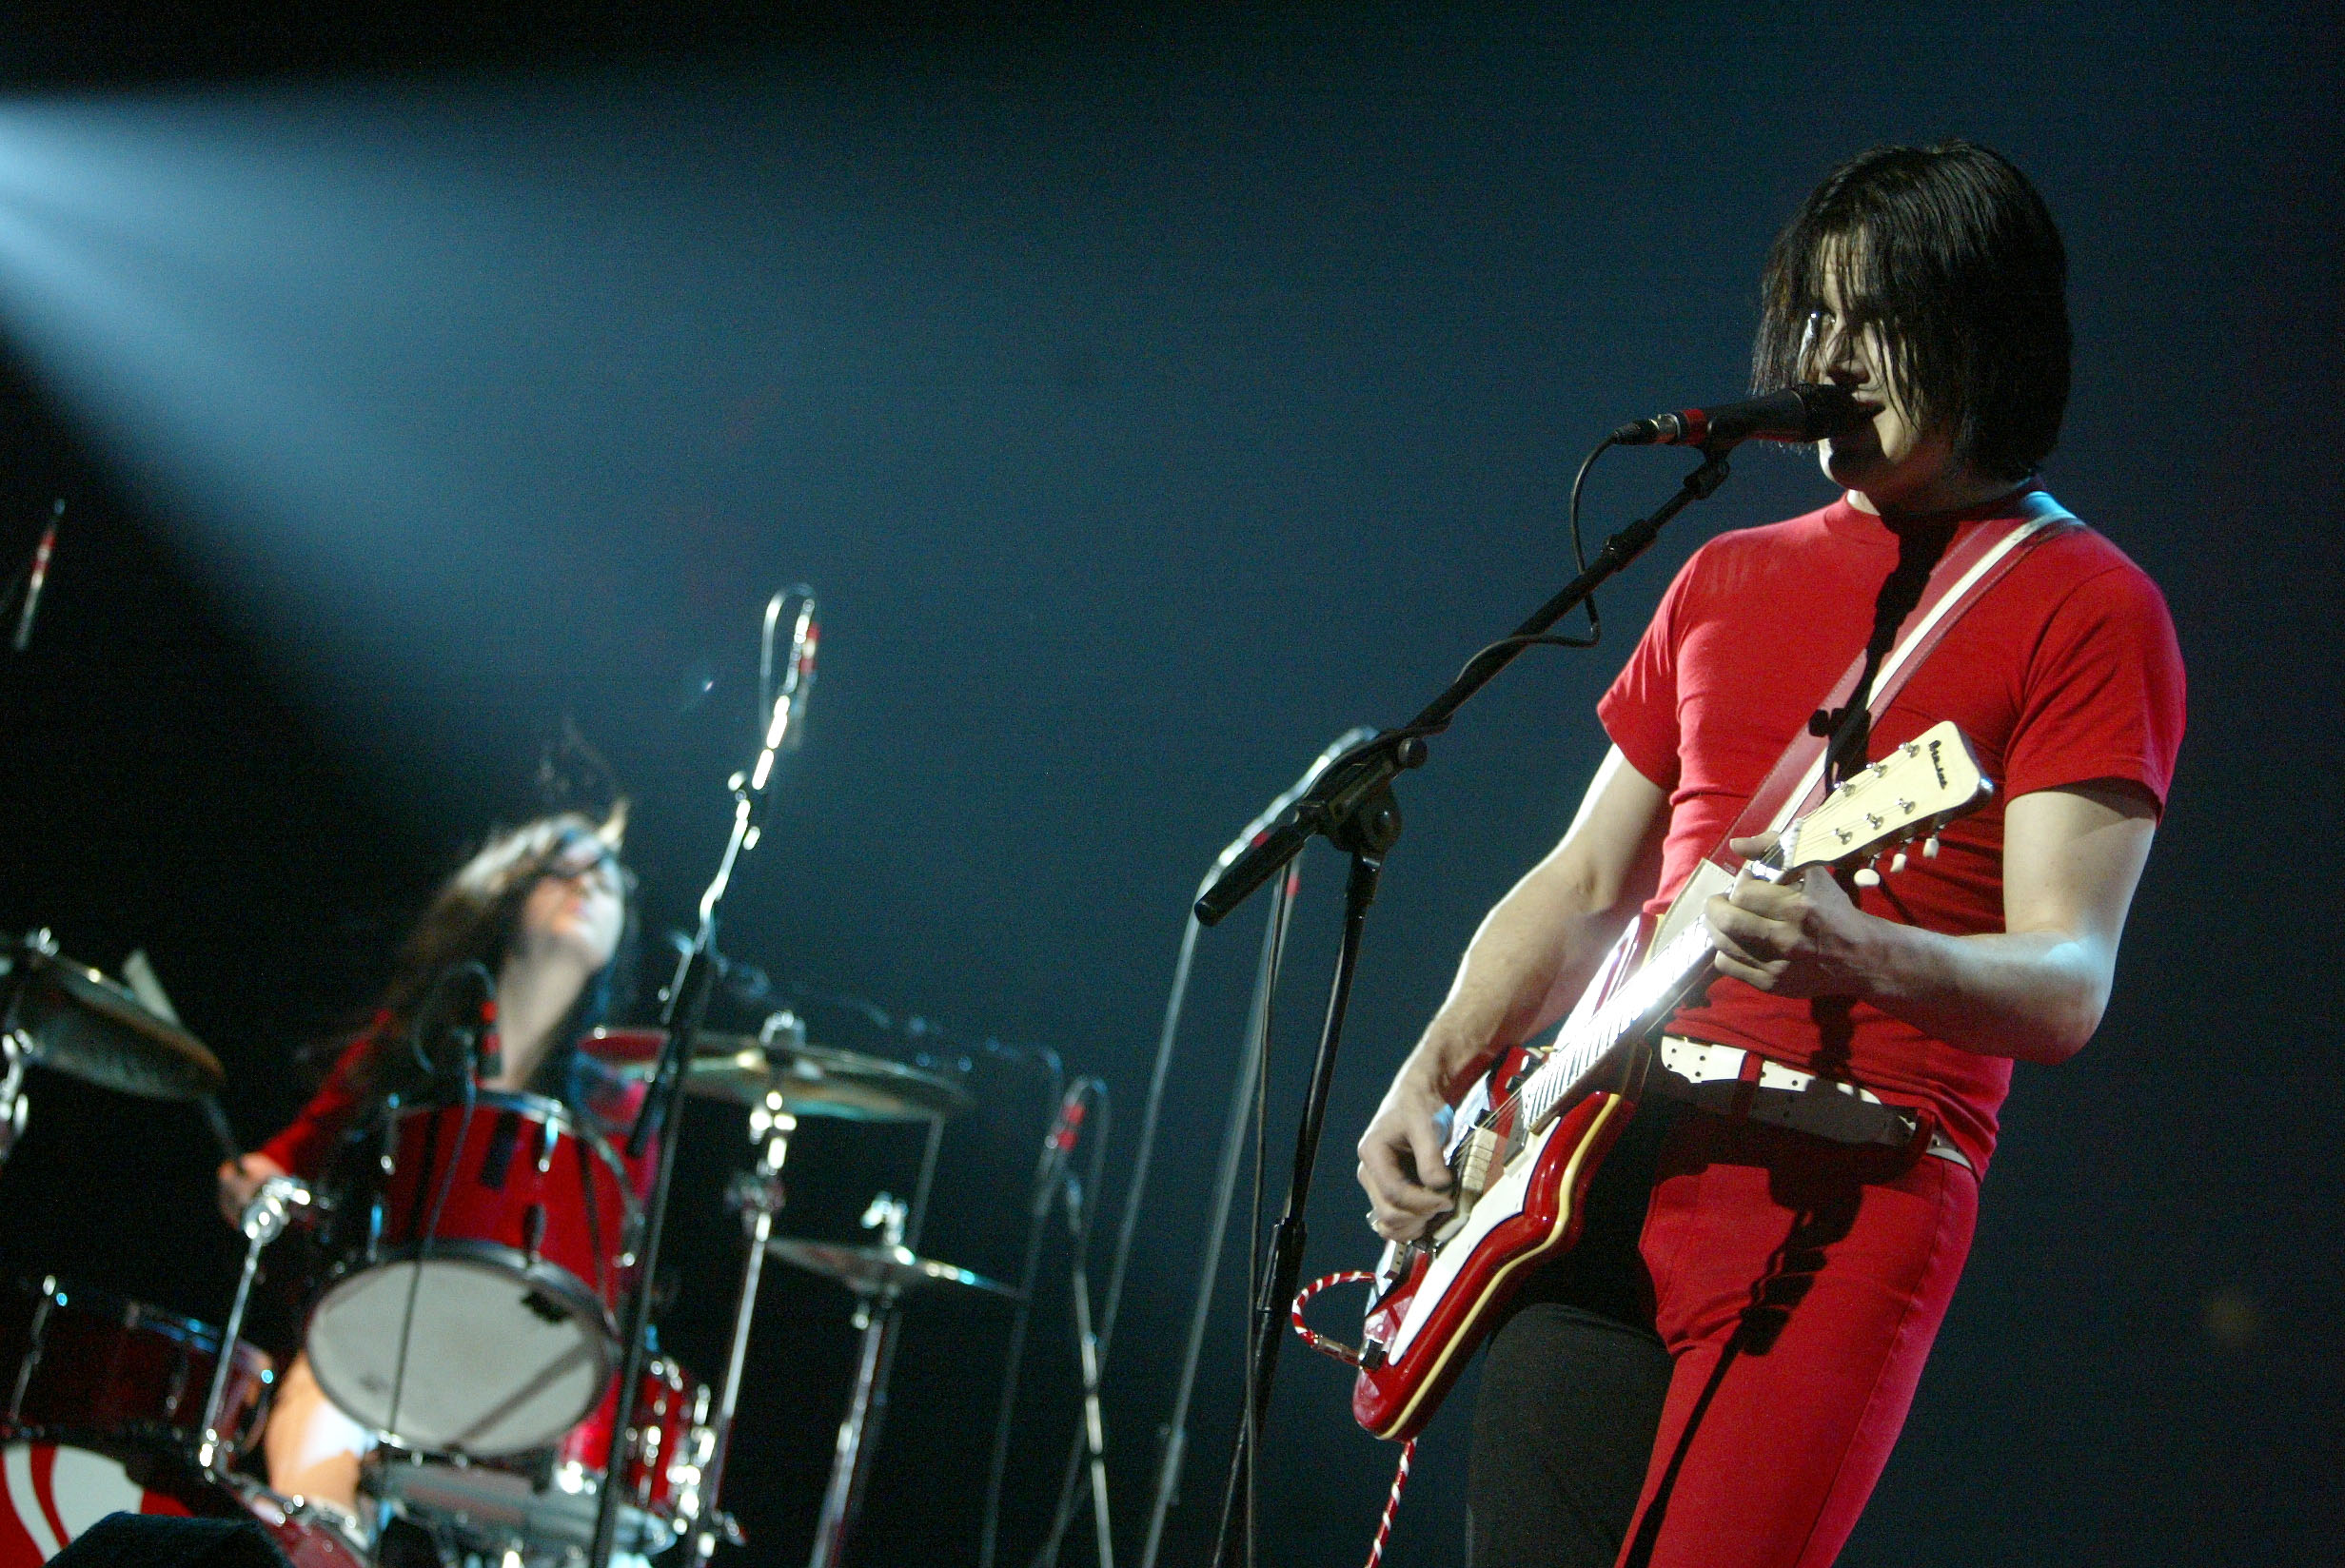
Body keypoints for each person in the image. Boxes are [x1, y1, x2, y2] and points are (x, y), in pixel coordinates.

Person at [1355, 140, 2185, 1568]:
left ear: (1983, 333)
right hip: (1587, 1158)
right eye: (1814, 317)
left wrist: (1862, 951)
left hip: (1836, 1199)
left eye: (1877, 318)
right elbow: (1582, 883)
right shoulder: (1724, 575)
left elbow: (2069, 981)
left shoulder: (2088, 608)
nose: (1830, 354)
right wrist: (1432, 1066)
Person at [216, 811, 635, 1513]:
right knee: (313, 1475)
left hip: (527, 1394)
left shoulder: (621, 1108)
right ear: (511, 889)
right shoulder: (405, 1043)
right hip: (373, 1349)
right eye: (568, 865)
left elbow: (609, 1292)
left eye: (612, 883)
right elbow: (277, 1166)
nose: (589, 885)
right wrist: (252, 1185)